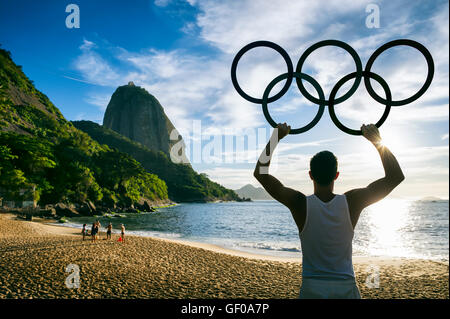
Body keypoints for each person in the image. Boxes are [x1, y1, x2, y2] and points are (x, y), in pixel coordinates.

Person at [253, 123, 404, 299]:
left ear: (310, 175)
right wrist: (376, 140)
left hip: (312, 288)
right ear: (337, 175)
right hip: (346, 287)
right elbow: (395, 176)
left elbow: (261, 174)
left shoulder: (300, 204)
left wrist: (275, 138)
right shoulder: (352, 202)